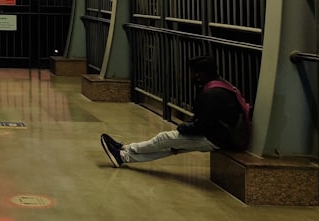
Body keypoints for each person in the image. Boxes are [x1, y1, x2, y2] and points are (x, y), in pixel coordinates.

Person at [100, 55, 251, 167]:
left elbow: (202, 125)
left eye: (192, 72)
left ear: (199, 74)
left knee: (164, 138)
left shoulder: (212, 94)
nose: (190, 76)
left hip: (216, 139)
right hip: (223, 136)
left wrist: (183, 127)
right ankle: (123, 155)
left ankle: (125, 151)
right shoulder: (220, 86)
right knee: (171, 147)